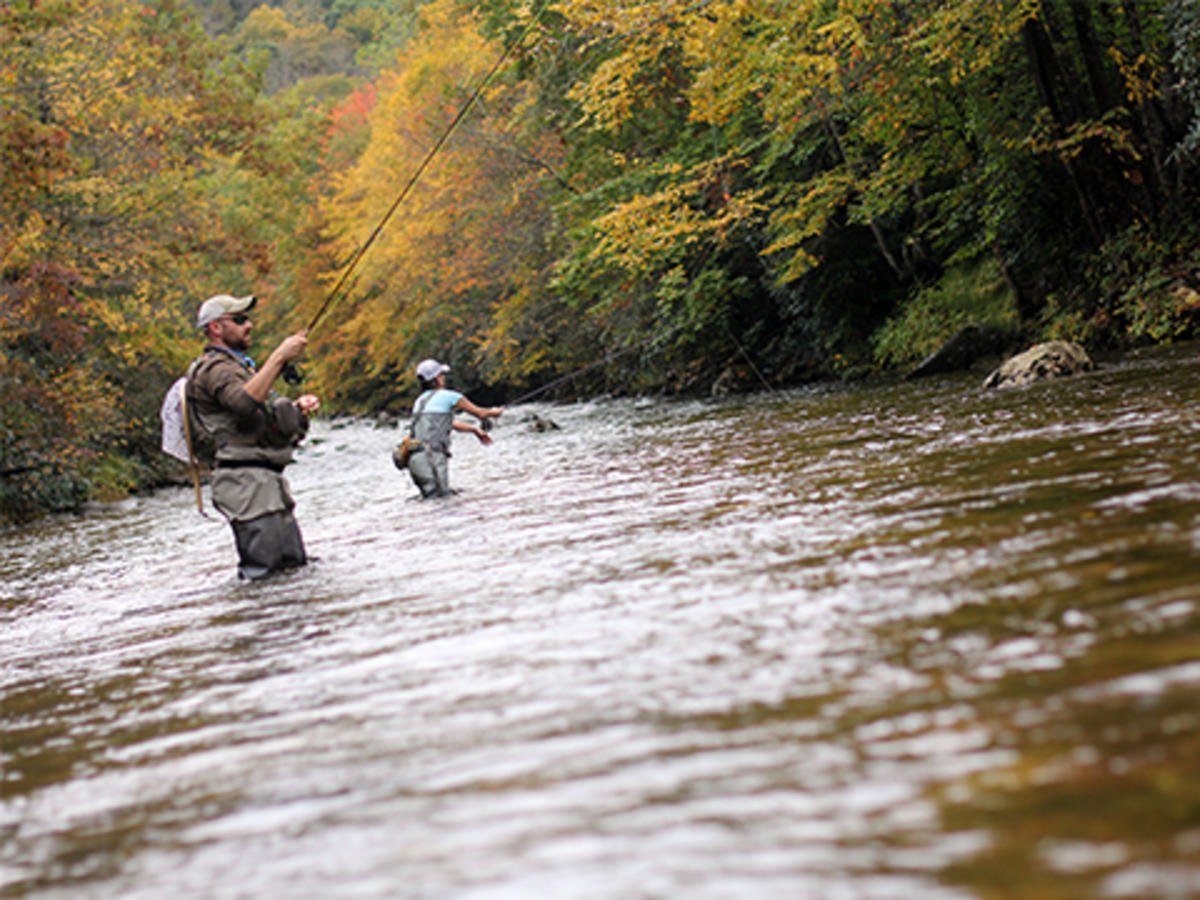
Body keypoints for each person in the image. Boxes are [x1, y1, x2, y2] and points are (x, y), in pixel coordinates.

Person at [186, 293, 321, 579]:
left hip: (266, 485)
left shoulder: (240, 369)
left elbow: (258, 417)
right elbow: (244, 403)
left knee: (293, 573)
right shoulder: (214, 369)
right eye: (239, 319)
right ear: (216, 328)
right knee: (265, 579)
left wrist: (296, 411)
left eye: (247, 318)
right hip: (245, 486)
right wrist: (280, 357)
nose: (249, 325)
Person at [398, 358, 502, 498]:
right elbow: (480, 413)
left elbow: (449, 423)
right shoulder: (450, 396)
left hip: (415, 461)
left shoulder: (419, 401)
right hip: (432, 460)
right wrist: (496, 412)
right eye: (441, 375)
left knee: (433, 503)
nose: (443, 378)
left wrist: (474, 429)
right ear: (437, 378)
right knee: (442, 505)